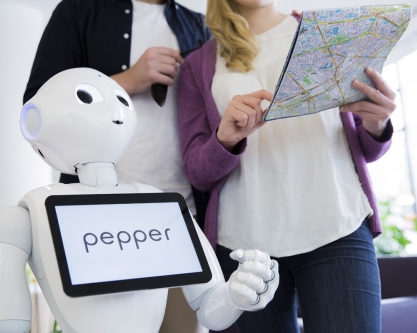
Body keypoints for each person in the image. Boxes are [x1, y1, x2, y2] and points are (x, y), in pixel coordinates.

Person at [177, 0, 397, 332]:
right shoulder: (197, 65)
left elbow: (365, 147)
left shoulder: (334, 33)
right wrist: (224, 139)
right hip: (244, 250)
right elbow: (197, 172)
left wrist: (378, 124)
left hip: (338, 227)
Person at [23, 1, 211, 332]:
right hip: (95, 220)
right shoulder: (79, 10)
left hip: (180, 215)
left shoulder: (200, 25)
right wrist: (128, 79)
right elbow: (37, 107)